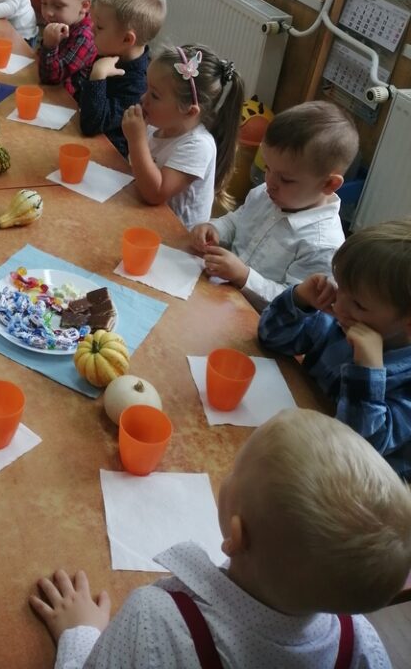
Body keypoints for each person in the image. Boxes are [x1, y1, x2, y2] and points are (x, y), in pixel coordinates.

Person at [29, 408, 410, 669]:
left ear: (236, 534)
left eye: (233, 471)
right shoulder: (362, 645)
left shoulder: (155, 620)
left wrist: (80, 634)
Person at [259, 219, 411, 479]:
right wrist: (300, 299)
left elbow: (357, 448)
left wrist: (368, 371)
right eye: (340, 287)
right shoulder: (342, 320)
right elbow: (271, 338)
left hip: (345, 484)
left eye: (359, 304)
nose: (339, 306)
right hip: (297, 442)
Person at [190, 101, 358, 310]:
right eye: (268, 168)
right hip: (220, 294)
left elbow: (293, 304)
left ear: (328, 184)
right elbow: (237, 221)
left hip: (256, 319)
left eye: (286, 179)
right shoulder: (267, 193)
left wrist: (243, 276)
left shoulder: (323, 246)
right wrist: (214, 228)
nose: (269, 182)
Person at [122, 43, 244, 229]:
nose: (143, 98)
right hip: (144, 216)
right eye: (147, 88)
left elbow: (155, 194)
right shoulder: (156, 127)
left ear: (189, 111)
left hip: (174, 238)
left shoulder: (198, 146)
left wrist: (136, 141)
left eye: (155, 95)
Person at [76, 0, 166, 158]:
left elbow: (91, 125)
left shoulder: (139, 84)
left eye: (99, 27)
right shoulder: (110, 52)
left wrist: (98, 76)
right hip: (83, 142)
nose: (92, 29)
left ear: (127, 39)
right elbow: (79, 97)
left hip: (107, 159)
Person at [38, 0, 97, 97]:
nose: (48, 12)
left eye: (58, 6)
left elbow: (52, 79)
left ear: (84, 6)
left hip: (68, 101)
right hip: (50, 91)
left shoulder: (85, 37)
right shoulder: (61, 20)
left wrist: (49, 47)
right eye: (44, 3)